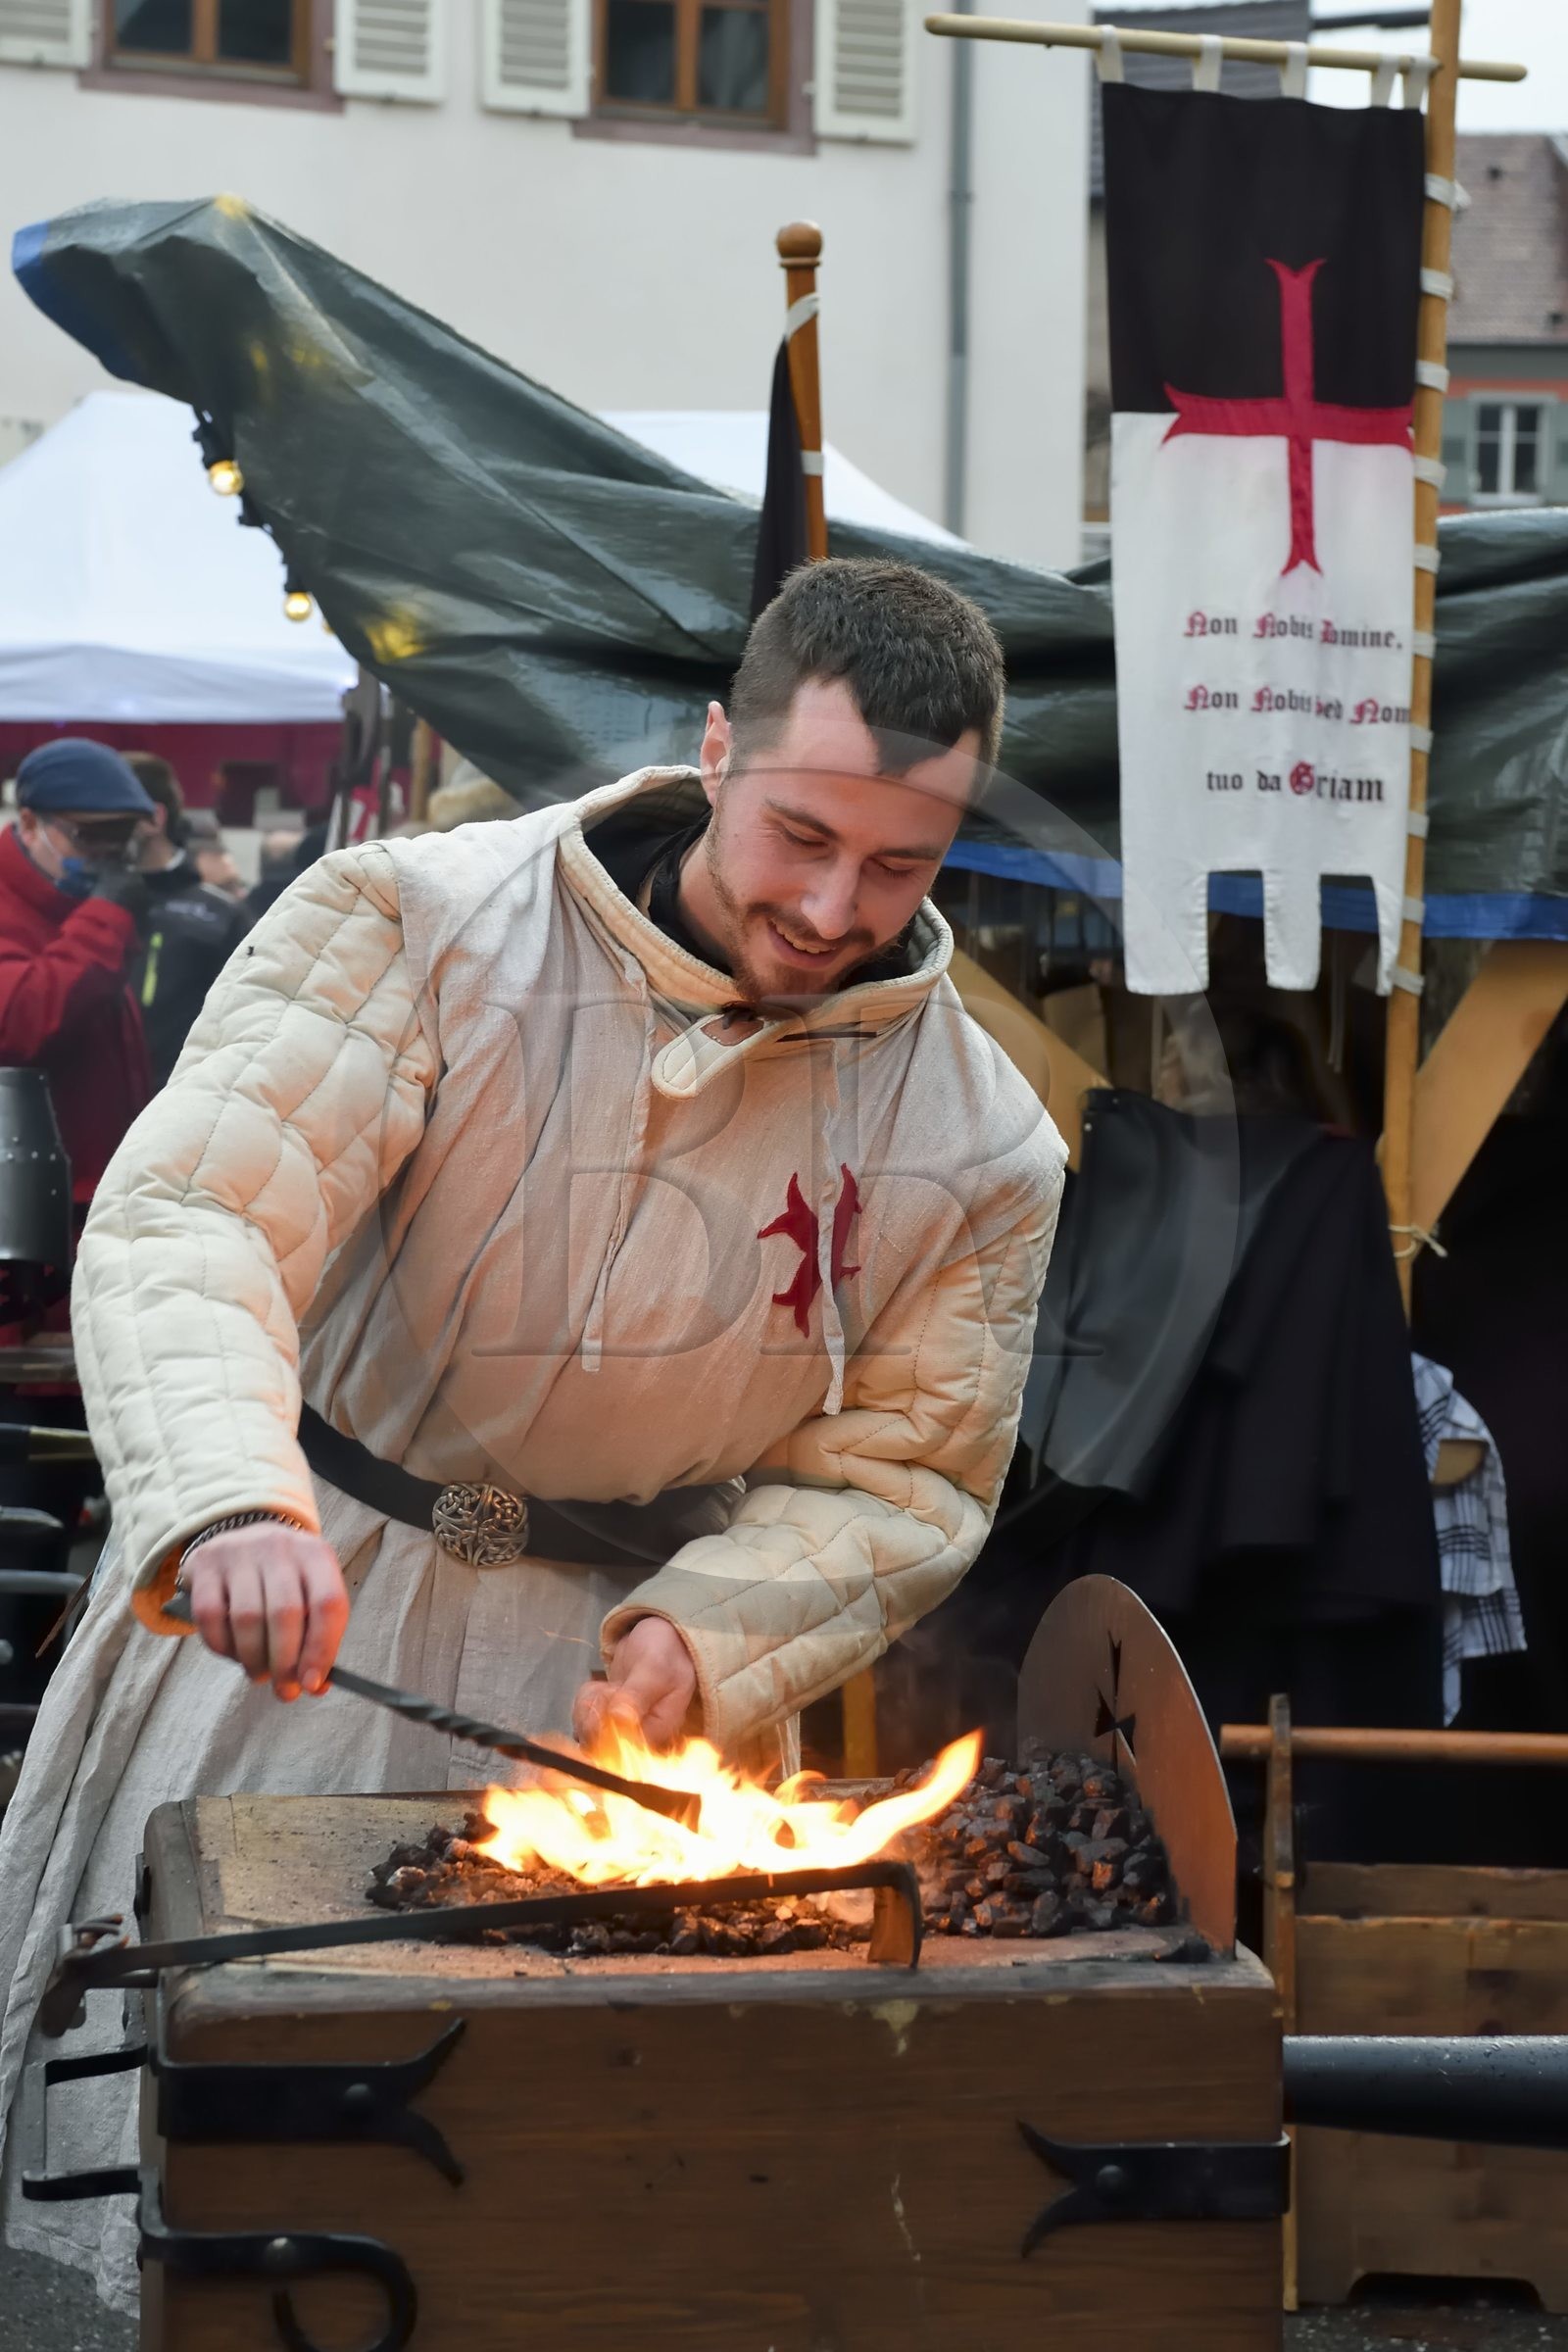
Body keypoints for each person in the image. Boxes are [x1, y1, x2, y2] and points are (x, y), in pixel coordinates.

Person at [0, 560, 1065, 2310]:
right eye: (801, 833)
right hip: (306, 1607)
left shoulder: (985, 1140)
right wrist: (229, 1496)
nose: (833, 905)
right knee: (202, 2181)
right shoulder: (419, 922)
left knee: (569, 2221)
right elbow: (199, 1218)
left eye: (900, 864)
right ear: (718, 748)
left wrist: (712, 1633)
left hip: (621, 1711)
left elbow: (904, 1472)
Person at [0, 740, 156, 1208]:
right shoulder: (81, 917)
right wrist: (105, 919)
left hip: (94, 1201)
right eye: (88, 837)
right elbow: (20, 1025)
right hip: (28, 1218)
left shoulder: (79, 910)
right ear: (30, 823)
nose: (107, 854)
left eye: (121, 835)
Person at [122, 754, 253, 1088]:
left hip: (180, 1108)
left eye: (110, 816)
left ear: (154, 818)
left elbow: (252, 1028)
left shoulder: (222, 918)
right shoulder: (71, 905)